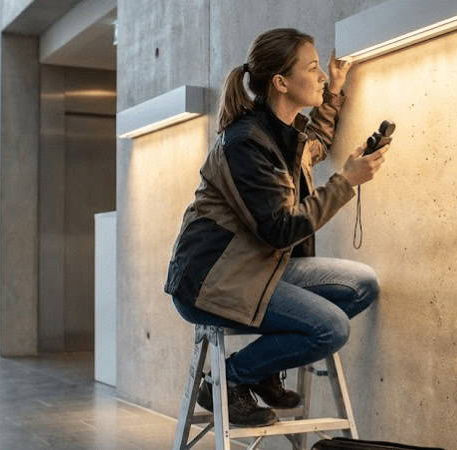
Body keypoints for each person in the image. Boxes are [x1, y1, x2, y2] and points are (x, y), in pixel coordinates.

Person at [164, 28, 389, 427]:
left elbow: (316, 142)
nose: (322, 75)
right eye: (314, 68)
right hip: (210, 280)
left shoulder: (285, 132)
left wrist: (334, 91)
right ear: (281, 83)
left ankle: (262, 370)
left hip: (258, 267)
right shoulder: (245, 143)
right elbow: (281, 229)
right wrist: (346, 182)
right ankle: (227, 381)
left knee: (363, 284)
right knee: (330, 328)